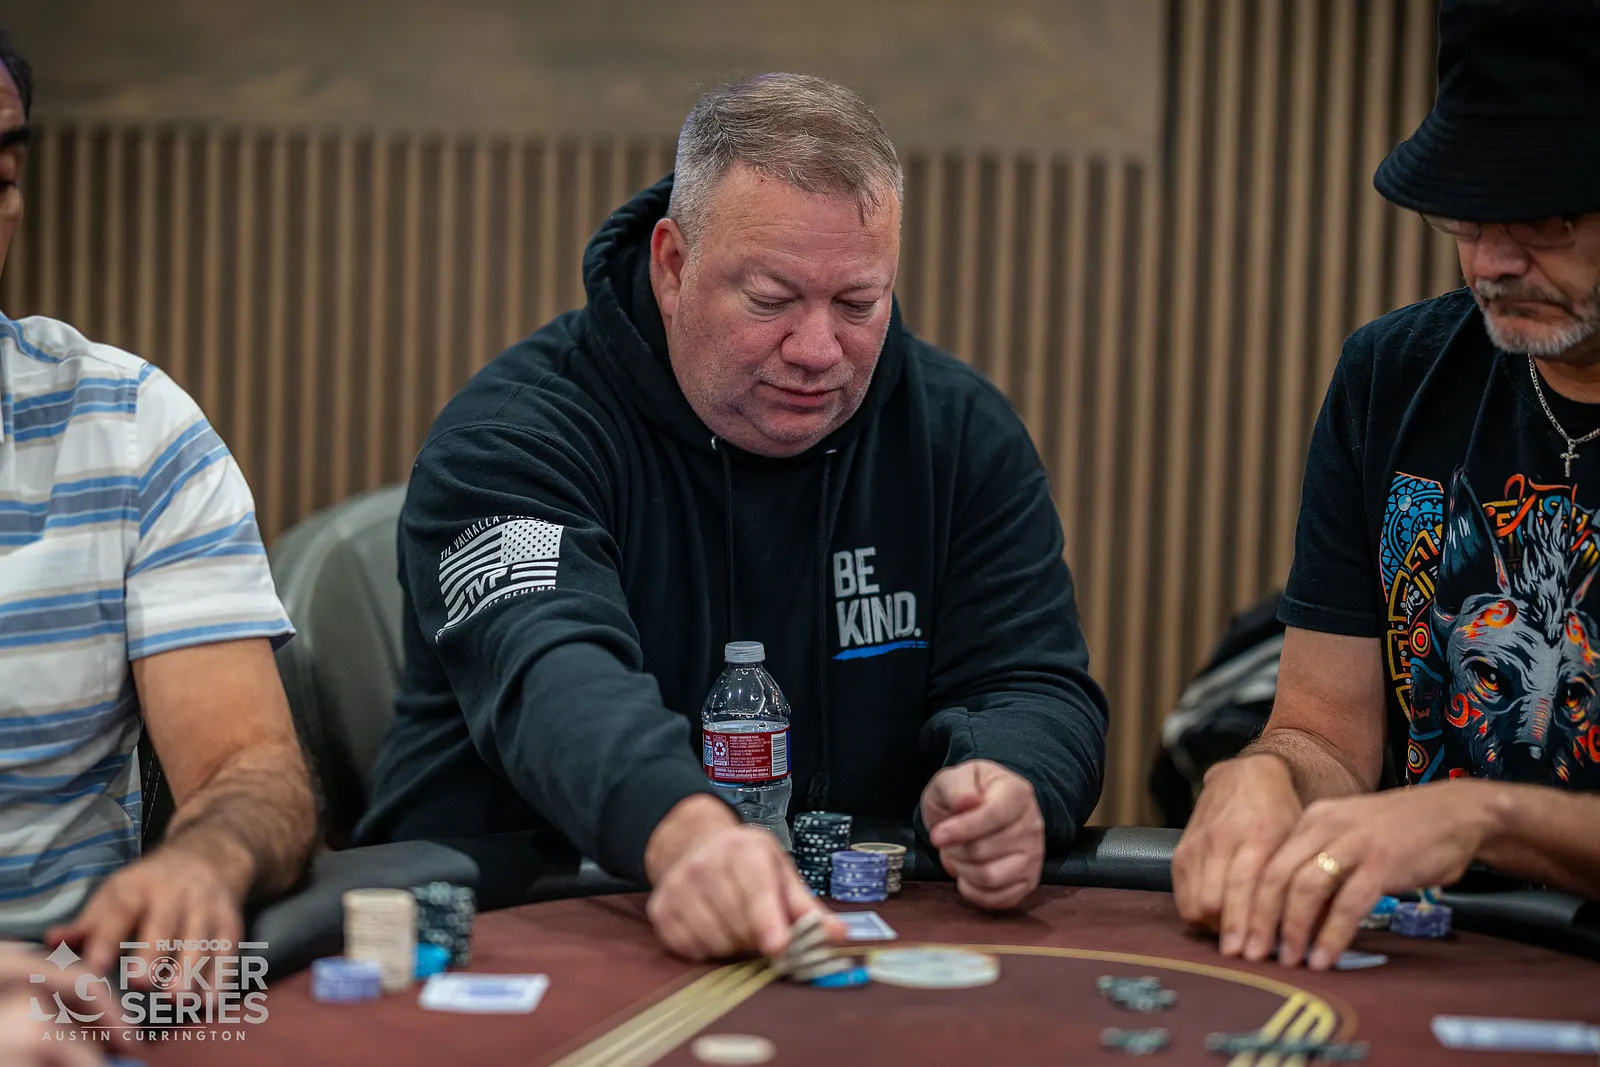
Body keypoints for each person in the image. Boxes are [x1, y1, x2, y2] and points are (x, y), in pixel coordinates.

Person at [359, 72, 1108, 960]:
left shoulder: (959, 432)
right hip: (516, 921)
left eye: (858, 303)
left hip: (834, 932)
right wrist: (684, 830)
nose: (818, 350)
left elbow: (1032, 681)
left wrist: (1013, 781)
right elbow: (552, 676)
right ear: (672, 265)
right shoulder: (507, 442)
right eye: (771, 299)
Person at [1172, 0, 1600, 971]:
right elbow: (1325, 735)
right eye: (1466, 213)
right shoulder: (1391, 374)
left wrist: (1485, 816)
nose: (1493, 259)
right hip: (1430, 958)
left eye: (1544, 215)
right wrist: (1265, 773)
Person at [0, 29, 315, 979]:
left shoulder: (129, 426)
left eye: (0, 175)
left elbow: (249, 768)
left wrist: (207, 855)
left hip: (71, 1000)